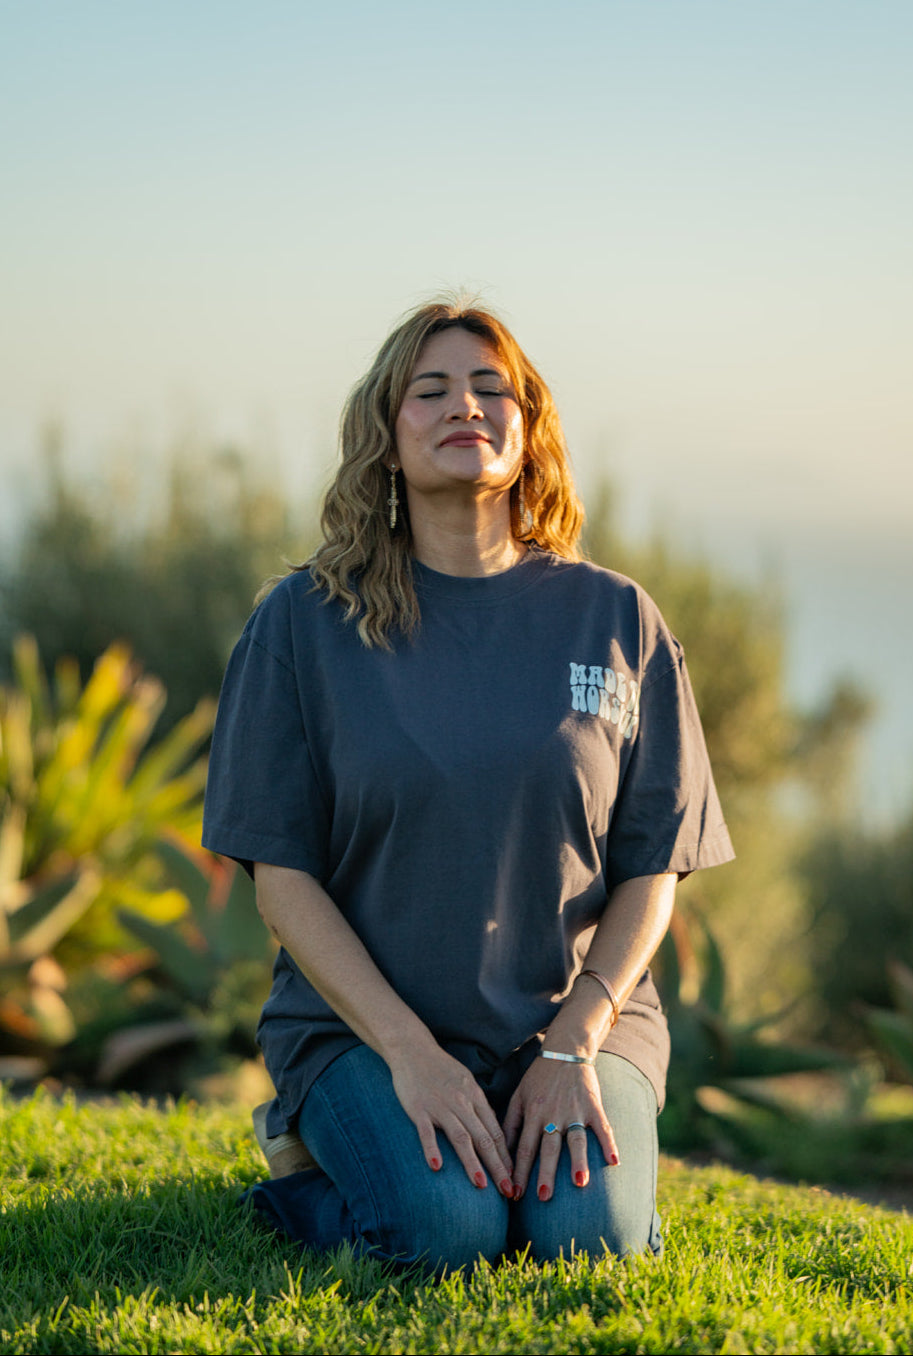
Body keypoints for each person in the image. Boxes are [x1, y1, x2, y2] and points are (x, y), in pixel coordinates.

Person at [201, 297, 734, 1274]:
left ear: (529, 429)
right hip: (365, 1030)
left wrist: (575, 1041)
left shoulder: (617, 619)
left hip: (579, 1020)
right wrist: (410, 1055)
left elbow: (654, 866)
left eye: (493, 389)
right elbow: (281, 877)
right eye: (431, 390)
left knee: (588, 1245)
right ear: (386, 431)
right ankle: (309, 1178)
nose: (466, 406)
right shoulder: (303, 624)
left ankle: (551, 1174)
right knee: (450, 1234)